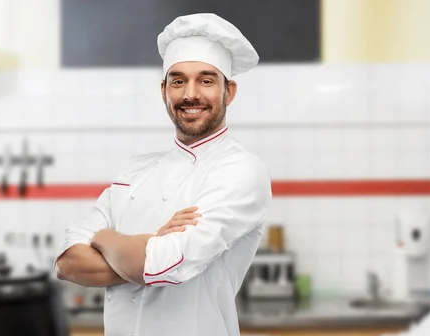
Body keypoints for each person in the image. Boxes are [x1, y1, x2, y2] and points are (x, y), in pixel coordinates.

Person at [55, 13, 272, 336]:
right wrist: (148, 246)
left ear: (230, 92)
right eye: (178, 80)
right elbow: (68, 263)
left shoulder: (240, 171)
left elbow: (162, 265)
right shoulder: (136, 171)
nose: (190, 94)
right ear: (164, 90)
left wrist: (104, 239)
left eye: (207, 80)